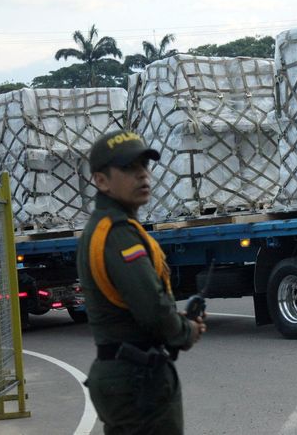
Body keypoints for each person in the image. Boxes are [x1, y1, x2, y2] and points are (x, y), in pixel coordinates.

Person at [77, 129, 206, 434]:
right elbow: (152, 308)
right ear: (101, 180)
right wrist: (185, 331)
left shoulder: (108, 228)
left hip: (127, 375)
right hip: (137, 379)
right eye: (128, 169)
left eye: (144, 167)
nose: (142, 176)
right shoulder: (118, 233)